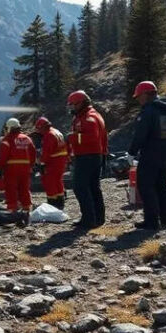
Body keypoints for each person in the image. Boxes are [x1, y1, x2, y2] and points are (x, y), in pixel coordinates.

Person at [128, 81, 166, 230]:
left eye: (139, 96)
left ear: (145, 95)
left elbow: (140, 135)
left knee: (146, 187)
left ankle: (151, 222)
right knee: (162, 186)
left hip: (150, 157)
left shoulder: (148, 112)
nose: (138, 100)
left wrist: (132, 153)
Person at [66, 90, 108, 229]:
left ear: (81, 103)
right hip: (93, 155)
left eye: (73, 105)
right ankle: (98, 218)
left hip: (87, 156)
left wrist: (72, 137)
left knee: (81, 187)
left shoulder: (88, 118)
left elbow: (91, 137)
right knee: (93, 187)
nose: (72, 108)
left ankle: (89, 219)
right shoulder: (91, 115)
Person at [0, 118, 36, 226]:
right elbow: (33, 153)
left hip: (11, 169)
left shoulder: (7, 140)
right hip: (25, 168)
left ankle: (12, 214)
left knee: (11, 190)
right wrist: (31, 165)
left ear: (9, 128)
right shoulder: (27, 139)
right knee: (24, 189)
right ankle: (27, 213)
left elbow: (3, 156)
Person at [34, 117, 69, 209]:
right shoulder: (56, 131)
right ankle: (60, 202)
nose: (39, 132)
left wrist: (42, 163)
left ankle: (52, 203)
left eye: (39, 129)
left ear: (42, 127)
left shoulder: (48, 135)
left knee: (49, 182)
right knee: (58, 180)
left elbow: (47, 152)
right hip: (61, 161)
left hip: (53, 162)